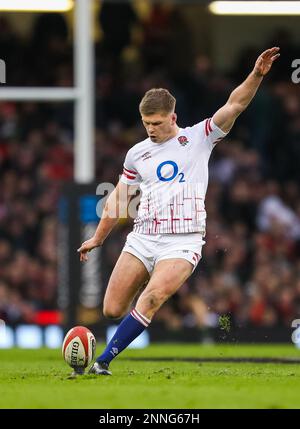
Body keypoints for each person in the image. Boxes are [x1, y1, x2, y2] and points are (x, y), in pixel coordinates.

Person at [77, 47, 280, 376]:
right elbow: (118, 198)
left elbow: (235, 104)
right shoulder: (137, 154)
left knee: (154, 297)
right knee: (112, 308)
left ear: (172, 117)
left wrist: (256, 75)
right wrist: (98, 238)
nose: (151, 130)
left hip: (182, 241)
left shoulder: (199, 137)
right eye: (145, 124)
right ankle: (145, 288)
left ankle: (103, 362)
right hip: (143, 237)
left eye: (156, 123)